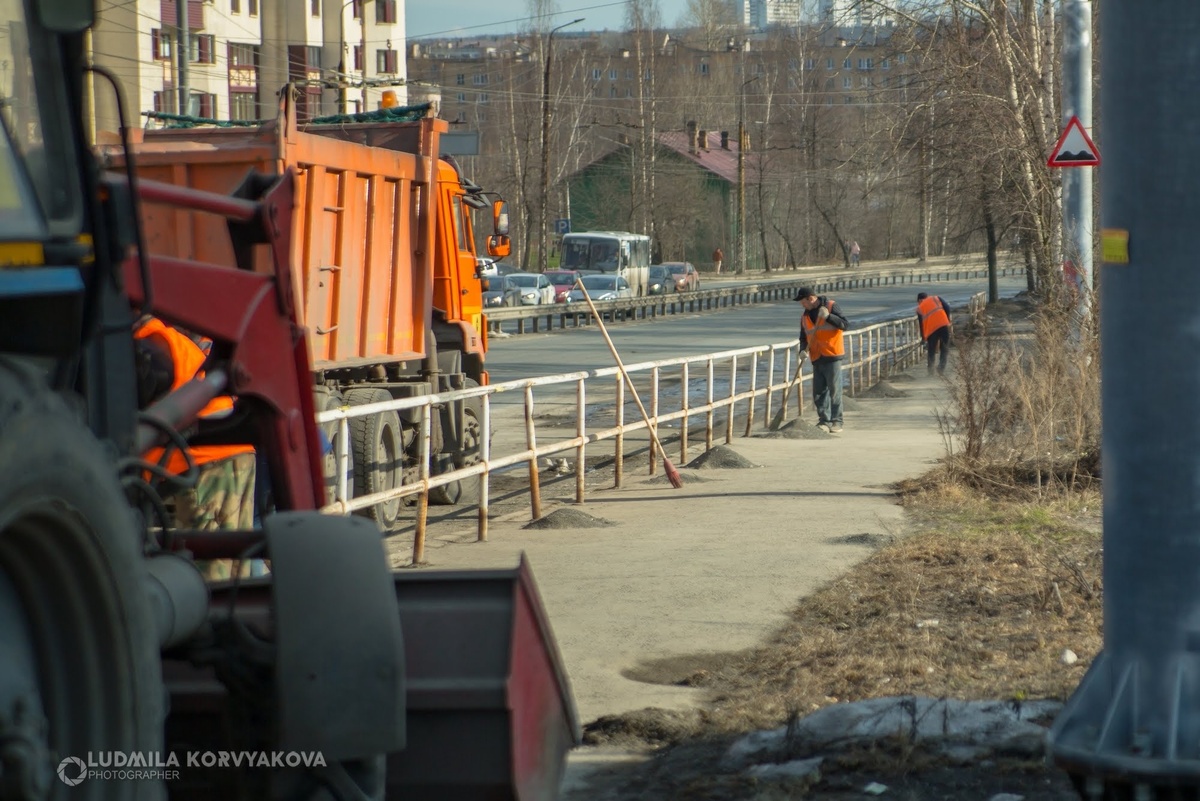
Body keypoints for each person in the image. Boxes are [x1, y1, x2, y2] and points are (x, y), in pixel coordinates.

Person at [134, 316, 257, 577]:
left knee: (204, 575)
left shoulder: (150, 346)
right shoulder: (167, 340)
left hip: (198, 468)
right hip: (227, 456)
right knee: (233, 568)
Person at [794, 287, 849, 434]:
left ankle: (837, 421)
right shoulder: (805, 316)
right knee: (819, 392)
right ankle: (824, 421)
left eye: (803, 302)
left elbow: (845, 325)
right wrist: (802, 350)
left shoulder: (831, 306)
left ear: (811, 298)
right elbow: (803, 336)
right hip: (816, 356)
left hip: (832, 355)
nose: (802, 305)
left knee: (834, 390)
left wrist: (829, 317)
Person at [916, 292, 953, 376]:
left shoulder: (919, 308)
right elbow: (947, 307)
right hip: (943, 325)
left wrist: (923, 337)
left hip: (931, 330)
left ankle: (930, 371)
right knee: (944, 348)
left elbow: (921, 325)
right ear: (927, 297)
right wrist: (947, 320)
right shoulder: (936, 298)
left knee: (931, 350)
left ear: (919, 300)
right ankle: (941, 369)